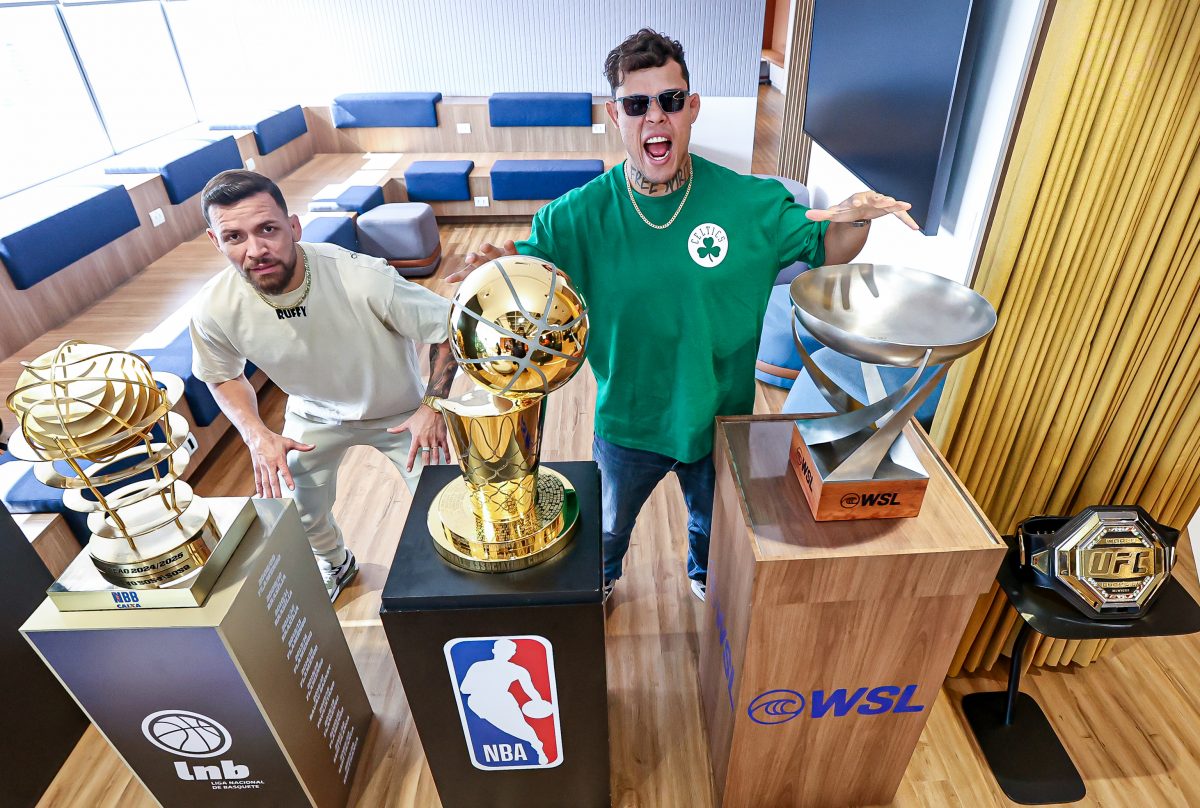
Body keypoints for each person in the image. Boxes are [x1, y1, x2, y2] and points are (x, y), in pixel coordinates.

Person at [453, 29, 918, 604]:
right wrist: (499, 274)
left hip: (721, 416)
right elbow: (526, 292)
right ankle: (604, 578)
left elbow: (831, 246)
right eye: (636, 104)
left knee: (710, 519)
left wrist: (859, 216)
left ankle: (702, 572)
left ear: (692, 107)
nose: (655, 116)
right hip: (628, 420)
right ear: (615, 115)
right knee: (608, 528)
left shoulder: (750, 203)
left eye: (670, 100)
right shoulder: (573, 219)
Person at [190, 170, 455, 601]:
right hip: (312, 413)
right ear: (215, 241)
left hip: (401, 409)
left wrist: (433, 406)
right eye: (234, 236)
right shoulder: (213, 307)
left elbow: (449, 329)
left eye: (268, 229)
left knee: (444, 500)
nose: (255, 250)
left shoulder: (363, 278)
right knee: (298, 509)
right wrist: (256, 435)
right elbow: (222, 374)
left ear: (294, 227)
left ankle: (452, 572)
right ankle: (335, 562)